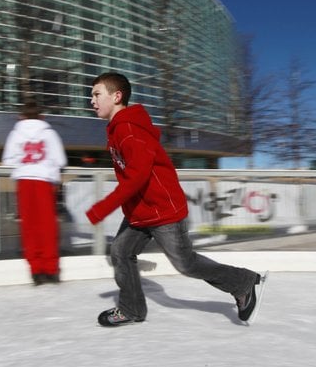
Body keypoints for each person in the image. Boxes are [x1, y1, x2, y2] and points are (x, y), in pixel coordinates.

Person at [85, 72, 263, 327]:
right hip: (140, 212)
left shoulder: (128, 130)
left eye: (96, 94)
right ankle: (131, 309)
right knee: (121, 251)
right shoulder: (117, 129)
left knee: (186, 264)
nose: (92, 100)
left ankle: (243, 283)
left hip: (162, 210)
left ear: (116, 96)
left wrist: (102, 208)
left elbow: (137, 177)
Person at [2, 100, 67, 285]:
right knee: (48, 225)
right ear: (41, 116)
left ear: (21, 116)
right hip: (44, 180)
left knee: (29, 226)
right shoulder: (49, 133)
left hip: (24, 180)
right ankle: (51, 269)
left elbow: (8, 160)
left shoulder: (15, 133)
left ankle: (36, 270)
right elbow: (60, 160)